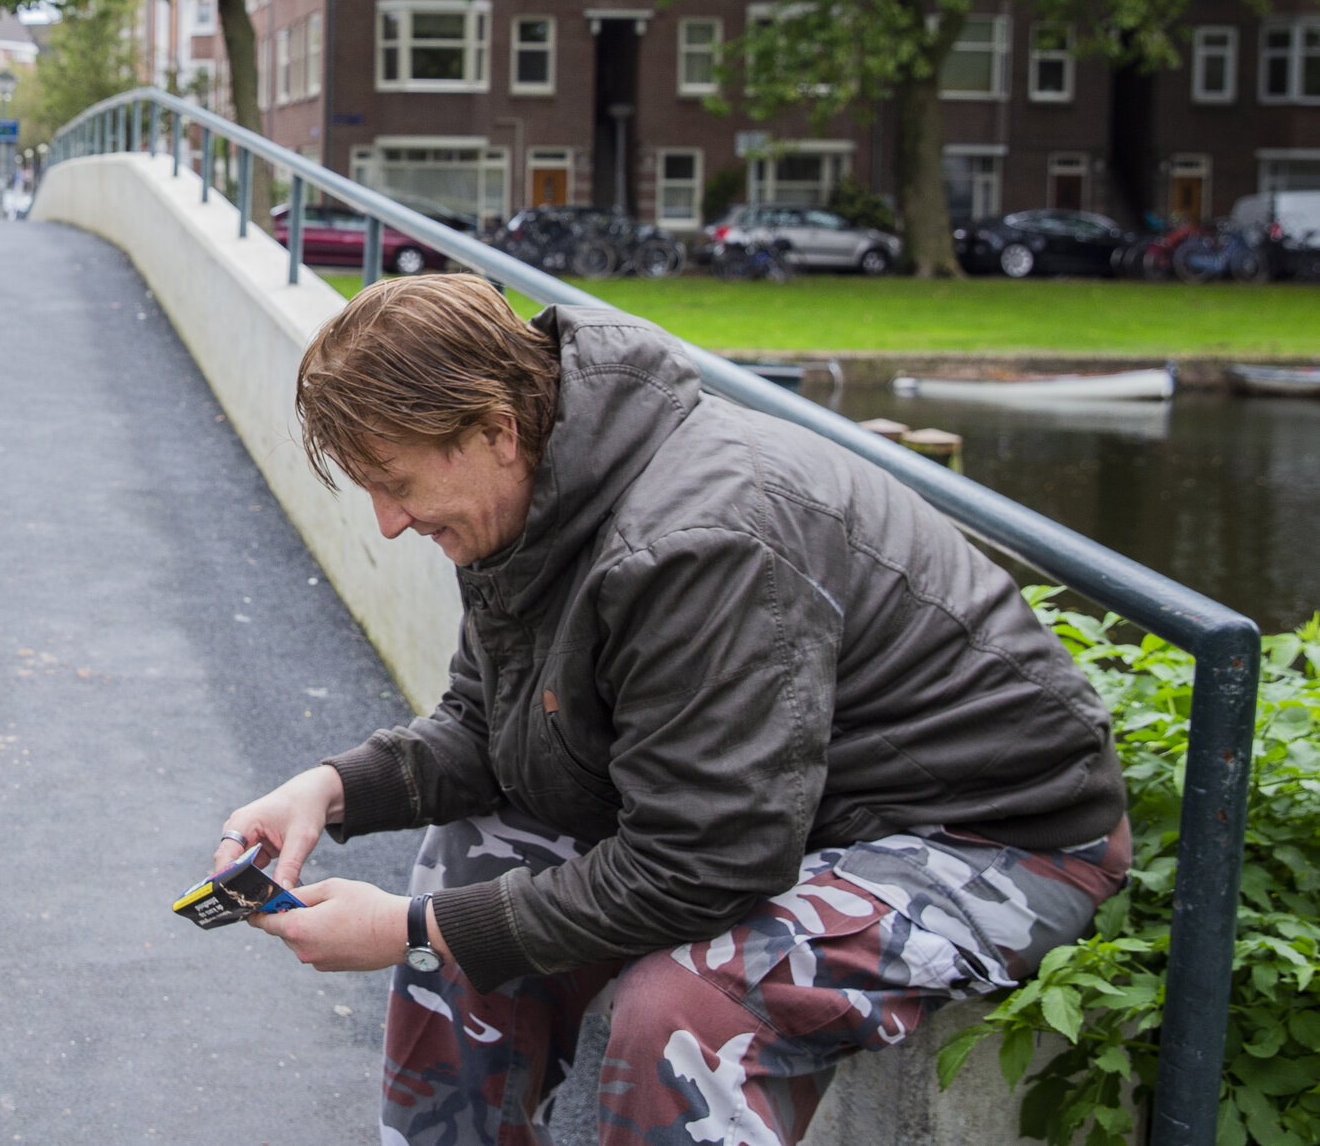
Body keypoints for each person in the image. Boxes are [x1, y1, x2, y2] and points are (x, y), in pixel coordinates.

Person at [213, 278, 1127, 1146]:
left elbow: (704, 862)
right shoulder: (529, 493)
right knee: (467, 863)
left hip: (989, 835)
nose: (387, 521)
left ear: (493, 429)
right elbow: (489, 726)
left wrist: (412, 925)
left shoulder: (696, 541)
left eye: (397, 483)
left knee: (685, 1010)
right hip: (786, 803)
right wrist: (328, 791)